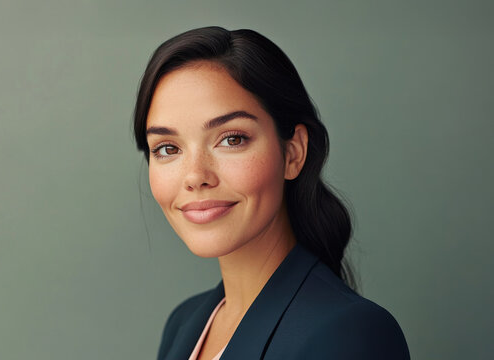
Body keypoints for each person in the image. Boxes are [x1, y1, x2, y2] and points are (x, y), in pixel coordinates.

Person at [133, 26, 410, 360]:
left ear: (293, 153)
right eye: (167, 148)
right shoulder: (183, 324)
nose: (195, 177)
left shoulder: (349, 333)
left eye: (231, 139)